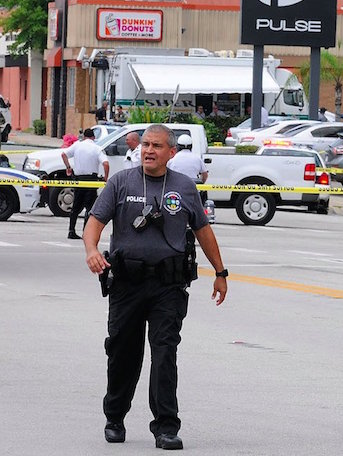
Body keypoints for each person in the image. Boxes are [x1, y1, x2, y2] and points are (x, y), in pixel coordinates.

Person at [82, 124, 228, 450]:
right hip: (127, 284)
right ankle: (115, 416)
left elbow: (203, 231)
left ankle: (166, 426)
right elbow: (94, 222)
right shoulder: (121, 182)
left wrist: (221, 271)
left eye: (157, 146)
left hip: (168, 285)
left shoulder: (184, 187)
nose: (149, 150)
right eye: (146, 144)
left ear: (171, 153)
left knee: (165, 353)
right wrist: (92, 250)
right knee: (123, 352)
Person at [61, 128, 109, 240]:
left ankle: (71, 231)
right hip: (91, 180)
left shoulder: (77, 145)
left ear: (84, 137)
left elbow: (63, 154)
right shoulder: (97, 148)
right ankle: (85, 232)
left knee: (75, 207)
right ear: (93, 137)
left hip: (78, 180)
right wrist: (105, 178)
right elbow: (106, 164)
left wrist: (68, 168)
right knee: (90, 208)